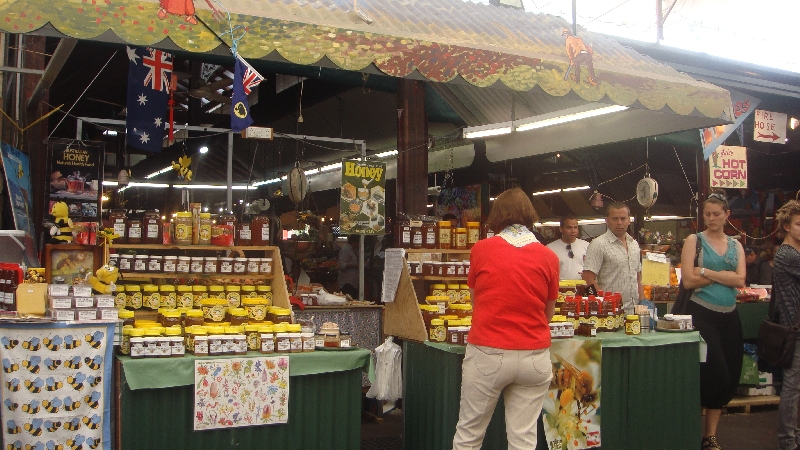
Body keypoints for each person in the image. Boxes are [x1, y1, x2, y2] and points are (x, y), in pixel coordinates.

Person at [452, 188, 559, 450]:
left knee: (469, 434)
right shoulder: (549, 257)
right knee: (523, 439)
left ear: (497, 215)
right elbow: (548, 313)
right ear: (529, 216)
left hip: (488, 352)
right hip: (534, 357)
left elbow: (477, 304)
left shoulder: (481, 250)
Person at [680, 190, 745, 450]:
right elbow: (688, 280)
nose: (711, 218)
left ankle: (711, 436)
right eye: (707, 213)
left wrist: (706, 271)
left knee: (728, 374)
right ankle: (690, 429)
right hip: (702, 313)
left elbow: (740, 280)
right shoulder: (693, 241)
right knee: (712, 372)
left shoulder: (736, 244)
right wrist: (724, 274)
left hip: (730, 315)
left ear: (727, 215)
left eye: (716, 214)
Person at [582, 202, 643, 313]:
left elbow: (638, 277)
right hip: (610, 313)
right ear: (607, 220)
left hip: (634, 312)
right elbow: (587, 279)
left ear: (629, 220)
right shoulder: (598, 245)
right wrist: (602, 303)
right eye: (615, 219)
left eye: (623, 218)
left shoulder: (634, 245)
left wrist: (643, 301)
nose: (619, 223)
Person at [773, 200, 800, 450]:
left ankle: (793, 436)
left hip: (794, 327)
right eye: (799, 224)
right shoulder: (788, 254)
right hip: (794, 329)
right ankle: (788, 441)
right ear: (787, 226)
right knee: (792, 387)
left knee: (795, 386)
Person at [547, 214, 590, 280]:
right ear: (561, 229)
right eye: (569, 228)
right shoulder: (550, 249)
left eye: (575, 227)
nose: (573, 231)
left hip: (582, 288)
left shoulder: (587, 246)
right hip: (561, 288)